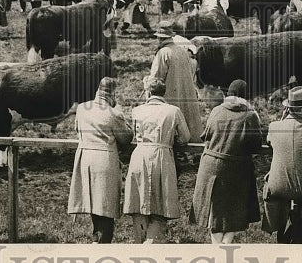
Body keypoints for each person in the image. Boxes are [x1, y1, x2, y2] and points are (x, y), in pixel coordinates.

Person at [191, 79, 264, 243]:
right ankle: (224, 249)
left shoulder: (216, 111)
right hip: (235, 170)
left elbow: (206, 135)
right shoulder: (250, 115)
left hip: (210, 166)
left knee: (215, 214)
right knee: (233, 214)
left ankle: (218, 251)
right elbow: (255, 145)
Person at [124, 76, 191, 243]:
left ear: (148, 92)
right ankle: (153, 242)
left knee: (139, 201)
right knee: (160, 202)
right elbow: (185, 137)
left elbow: (132, 134)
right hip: (162, 156)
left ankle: (140, 242)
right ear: (164, 93)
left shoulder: (137, 111)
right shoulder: (173, 111)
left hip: (140, 156)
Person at [68, 77, 133, 243]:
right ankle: (103, 244)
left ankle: (96, 240)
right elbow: (126, 138)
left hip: (84, 158)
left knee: (92, 204)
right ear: (112, 93)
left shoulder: (82, 108)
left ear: (98, 90)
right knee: (105, 207)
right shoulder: (114, 113)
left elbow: (77, 128)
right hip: (104, 161)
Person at [262, 85, 302, 243]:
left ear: (287, 108)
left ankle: (281, 234)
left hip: (278, 186)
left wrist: (283, 120)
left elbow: (271, 141)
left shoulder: (274, 127)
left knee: (283, 198)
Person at [148, 27, 204, 142]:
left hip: (169, 95)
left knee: (171, 124)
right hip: (186, 92)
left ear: (159, 38)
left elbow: (155, 79)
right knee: (187, 121)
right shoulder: (182, 51)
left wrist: (147, 84)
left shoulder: (162, 53)